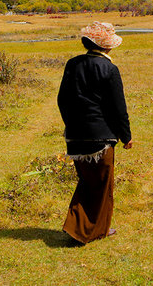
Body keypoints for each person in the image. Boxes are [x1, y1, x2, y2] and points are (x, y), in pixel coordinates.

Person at [57, 21, 133, 244]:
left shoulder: (72, 64)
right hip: (101, 137)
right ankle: (87, 231)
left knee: (87, 182)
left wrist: (72, 124)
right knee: (102, 185)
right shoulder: (109, 68)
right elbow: (118, 107)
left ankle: (85, 227)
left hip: (75, 136)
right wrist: (126, 136)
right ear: (107, 46)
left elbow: (63, 100)